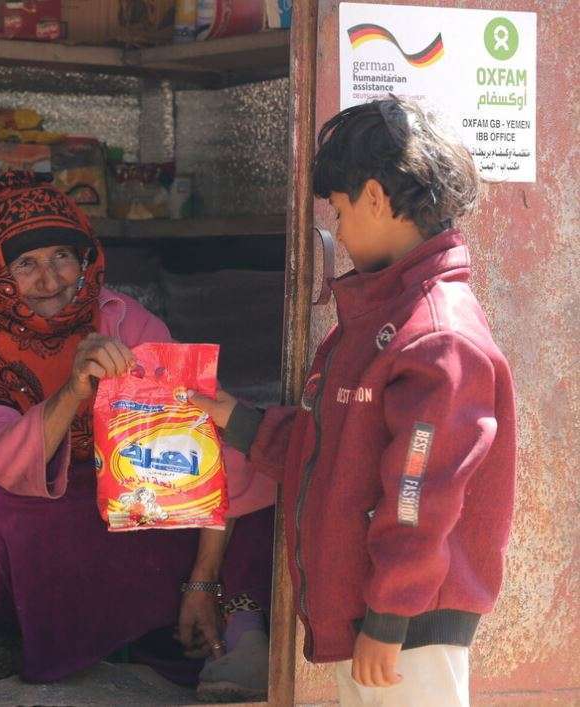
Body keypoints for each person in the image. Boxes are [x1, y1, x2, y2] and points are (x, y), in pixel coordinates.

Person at [0, 170, 278, 685]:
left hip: (121, 506)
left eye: (62, 257)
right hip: (24, 515)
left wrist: (202, 581)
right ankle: (116, 633)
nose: (50, 281)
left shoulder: (122, 320)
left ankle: (232, 624)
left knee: (259, 472)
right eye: (25, 264)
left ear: (86, 257)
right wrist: (73, 392)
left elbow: (200, 454)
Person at [191, 97, 516, 706]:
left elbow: (420, 490)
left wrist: (389, 619)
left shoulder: (436, 334)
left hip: (406, 633)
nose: (335, 230)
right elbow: (334, 453)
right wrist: (229, 416)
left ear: (373, 196)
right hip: (376, 622)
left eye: (337, 211)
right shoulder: (377, 322)